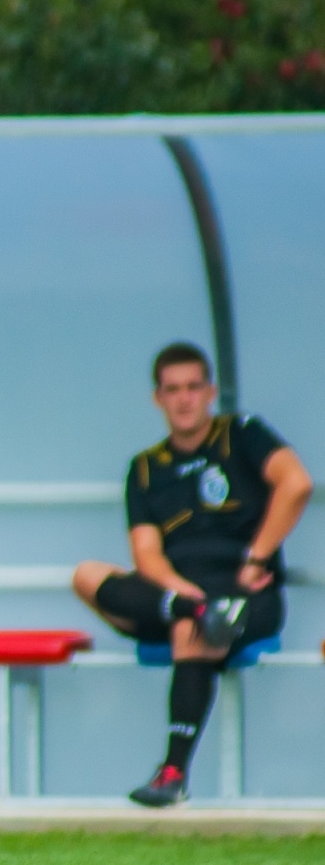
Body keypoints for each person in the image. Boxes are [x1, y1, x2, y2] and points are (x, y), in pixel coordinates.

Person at [72, 342, 312, 807]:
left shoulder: (242, 434)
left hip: (247, 591)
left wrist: (258, 557)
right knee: (86, 575)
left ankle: (173, 772)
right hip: (176, 592)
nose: (183, 399)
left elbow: (296, 482)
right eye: (172, 390)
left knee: (191, 626)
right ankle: (193, 608)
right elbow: (146, 553)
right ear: (157, 398)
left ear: (209, 392)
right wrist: (182, 591)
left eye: (192, 388)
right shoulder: (144, 468)